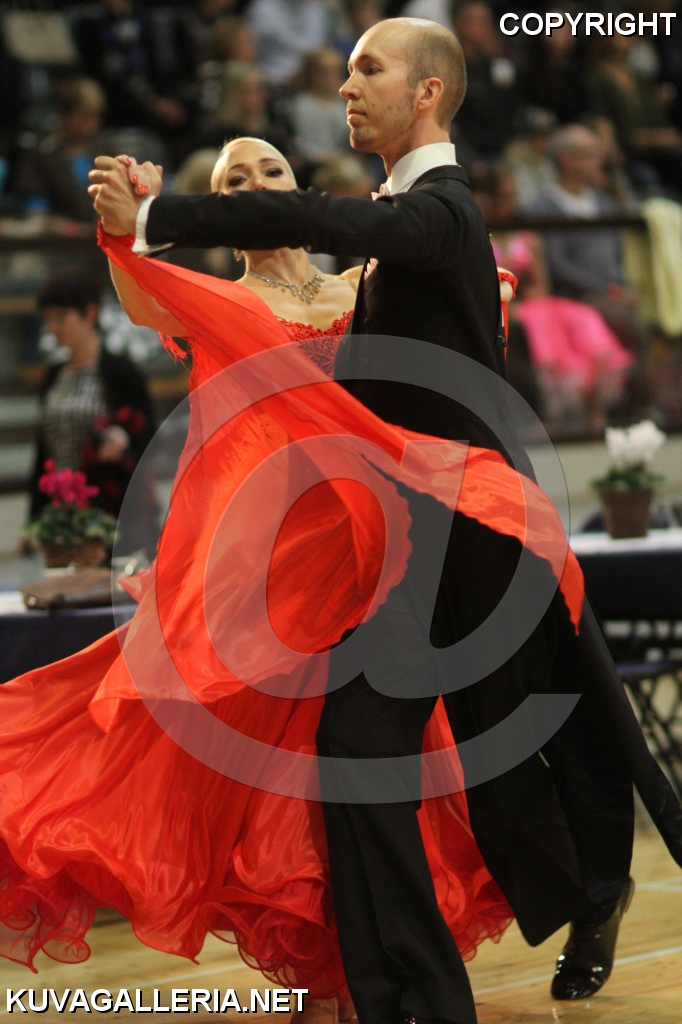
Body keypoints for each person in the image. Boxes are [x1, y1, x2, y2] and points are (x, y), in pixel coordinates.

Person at [90, 17, 682, 1024]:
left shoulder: (439, 212)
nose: (347, 86)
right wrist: (132, 233)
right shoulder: (368, 247)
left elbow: (329, 225)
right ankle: (412, 992)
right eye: (347, 67)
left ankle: (590, 896)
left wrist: (162, 212)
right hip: (395, 543)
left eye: (370, 69)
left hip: (480, 525)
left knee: (535, 747)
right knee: (363, 752)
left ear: (427, 93)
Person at [0, 133, 526, 1024]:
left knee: (377, 769)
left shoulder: (365, 286)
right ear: (220, 212)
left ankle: (367, 969)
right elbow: (141, 294)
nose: (255, 183)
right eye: (233, 180)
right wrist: (128, 227)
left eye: (269, 171)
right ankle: (328, 978)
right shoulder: (218, 302)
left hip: (376, 562)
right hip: (279, 576)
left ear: (296, 185)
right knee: (295, 785)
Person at [30, 270, 156, 546]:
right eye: (48, 319)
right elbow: (44, 451)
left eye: (60, 318)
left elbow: (147, 434)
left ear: (89, 313)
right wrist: (34, 518)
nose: (52, 327)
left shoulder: (120, 371)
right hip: (62, 511)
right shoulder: (54, 374)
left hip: (108, 508)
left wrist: (122, 440)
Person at [14, 77, 108, 225]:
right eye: (83, 117)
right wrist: (61, 226)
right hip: (56, 236)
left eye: (94, 117)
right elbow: (35, 212)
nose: (89, 125)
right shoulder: (41, 153)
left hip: (101, 234)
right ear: (64, 114)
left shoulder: (105, 151)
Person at [291, 49, 352, 163]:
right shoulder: (302, 106)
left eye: (337, 72)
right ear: (313, 75)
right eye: (327, 73)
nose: (334, 78)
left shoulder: (344, 104)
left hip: (343, 159)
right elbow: (301, 145)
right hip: (313, 163)